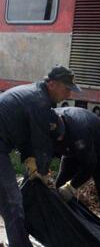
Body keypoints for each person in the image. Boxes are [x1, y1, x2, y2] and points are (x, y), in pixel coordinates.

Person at [0, 65, 80, 247]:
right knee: (12, 203)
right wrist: (42, 173)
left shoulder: (36, 96)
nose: (69, 95)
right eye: (66, 88)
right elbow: (40, 143)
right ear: (51, 84)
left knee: (9, 199)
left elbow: (25, 135)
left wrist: (30, 160)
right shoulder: (39, 102)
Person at [52, 107, 100, 232]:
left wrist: (71, 186)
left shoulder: (79, 131)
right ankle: (65, 226)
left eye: (60, 137)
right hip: (71, 147)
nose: (58, 140)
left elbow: (90, 165)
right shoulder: (46, 121)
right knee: (59, 186)